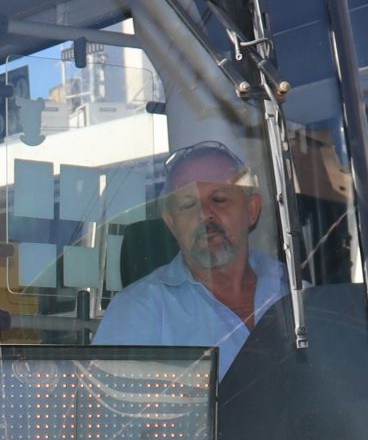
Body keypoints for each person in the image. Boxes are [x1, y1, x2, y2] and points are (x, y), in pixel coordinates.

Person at [95, 140, 285, 377]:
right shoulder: (139, 310)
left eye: (219, 199)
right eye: (188, 204)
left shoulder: (294, 292)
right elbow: (115, 406)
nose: (205, 214)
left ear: (251, 209)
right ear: (172, 223)